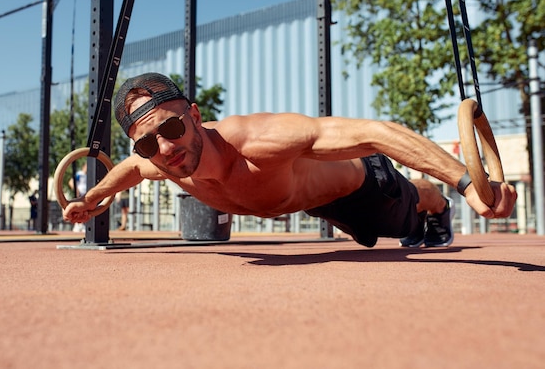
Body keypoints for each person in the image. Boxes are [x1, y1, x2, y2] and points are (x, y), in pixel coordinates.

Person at [63, 72, 517, 248]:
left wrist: (466, 183)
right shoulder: (159, 162)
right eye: (147, 143)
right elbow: (128, 170)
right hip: (311, 201)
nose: (164, 148)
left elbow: (377, 134)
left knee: (404, 221)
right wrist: (95, 196)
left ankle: (435, 202)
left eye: (172, 128)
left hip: (364, 187)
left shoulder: (261, 142)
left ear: (195, 116)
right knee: (367, 239)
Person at [69, 163, 88, 232]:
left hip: (85, 195)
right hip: (79, 195)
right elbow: (71, 182)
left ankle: (81, 224)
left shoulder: (87, 175)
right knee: (78, 209)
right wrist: (76, 191)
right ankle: (77, 225)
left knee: (84, 209)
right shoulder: (79, 174)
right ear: (84, 166)